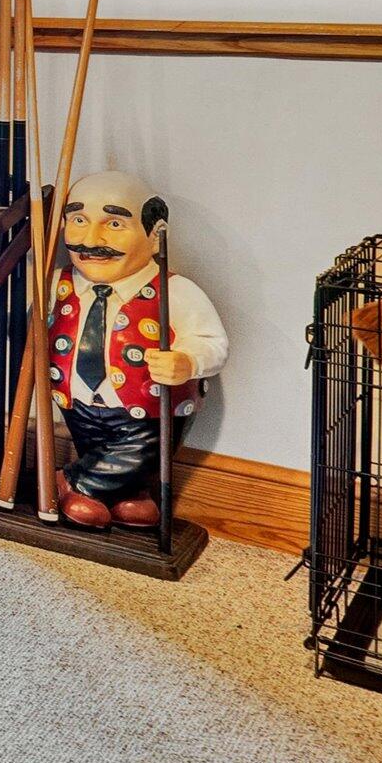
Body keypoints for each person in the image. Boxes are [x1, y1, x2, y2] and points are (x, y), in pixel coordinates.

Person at [45, 169, 228, 530]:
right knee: (103, 454)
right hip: (77, 405)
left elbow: (213, 343)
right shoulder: (57, 284)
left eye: (114, 224)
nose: (91, 238)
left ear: (155, 234)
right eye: (78, 220)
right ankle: (127, 496)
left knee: (142, 452)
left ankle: (72, 483)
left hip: (150, 407)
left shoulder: (175, 291)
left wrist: (188, 361)